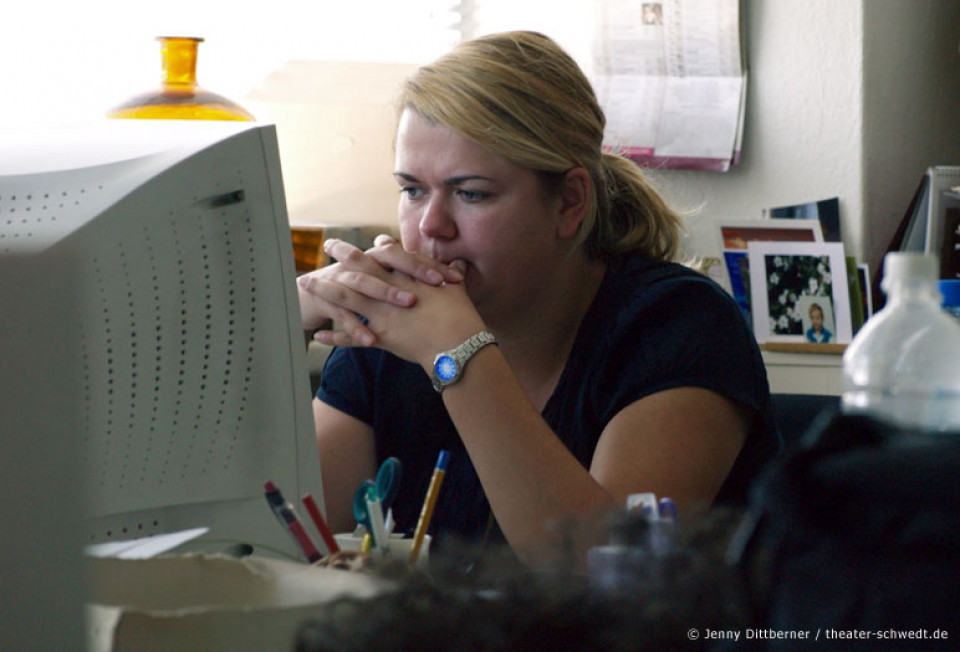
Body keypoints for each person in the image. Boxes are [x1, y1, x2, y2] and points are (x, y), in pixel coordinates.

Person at [297, 31, 778, 567]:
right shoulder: (387, 338)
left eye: (471, 193)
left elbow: (594, 575)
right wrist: (278, 328)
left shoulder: (680, 327)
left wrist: (456, 350)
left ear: (569, 202)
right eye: (412, 190)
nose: (431, 226)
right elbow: (284, 539)